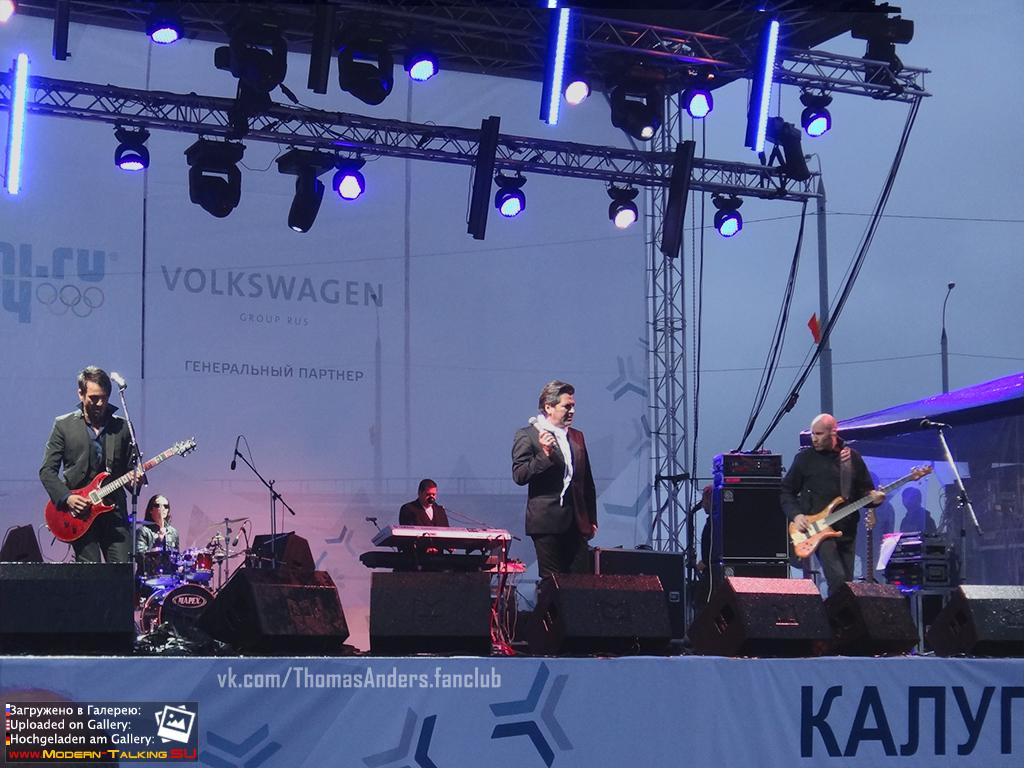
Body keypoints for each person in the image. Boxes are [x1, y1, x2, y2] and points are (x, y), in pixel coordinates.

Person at [39, 366, 138, 564]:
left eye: (104, 398)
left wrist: (136, 480)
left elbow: (130, 471)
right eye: (93, 398)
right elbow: (47, 471)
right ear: (81, 393)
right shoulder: (64, 425)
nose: (99, 403)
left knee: (123, 571)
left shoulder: (122, 427)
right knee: (90, 572)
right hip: (80, 513)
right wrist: (67, 498)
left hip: (114, 512)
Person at [781, 413, 885, 597]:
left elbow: (865, 492)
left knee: (846, 585)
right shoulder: (805, 459)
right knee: (837, 578)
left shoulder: (852, 458)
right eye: (812, 434)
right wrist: (797, 515)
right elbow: (786, 491)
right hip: (818, 529)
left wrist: (875, 500)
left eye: (819, 434)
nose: (814, 438)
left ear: (833, 433)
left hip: (847, 529)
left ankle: (838, 615)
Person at [512, 380, 597, 577]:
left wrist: (592, 519)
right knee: (552, 583)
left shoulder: (577, 436)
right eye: (567, 406)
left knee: (580, 583)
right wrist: (545, 454)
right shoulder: (528, 435)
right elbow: (520, 475)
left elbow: (586, 481)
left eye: (573, 406)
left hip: (577, 522)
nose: (572, 411)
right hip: (547, 522)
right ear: (549, 407)